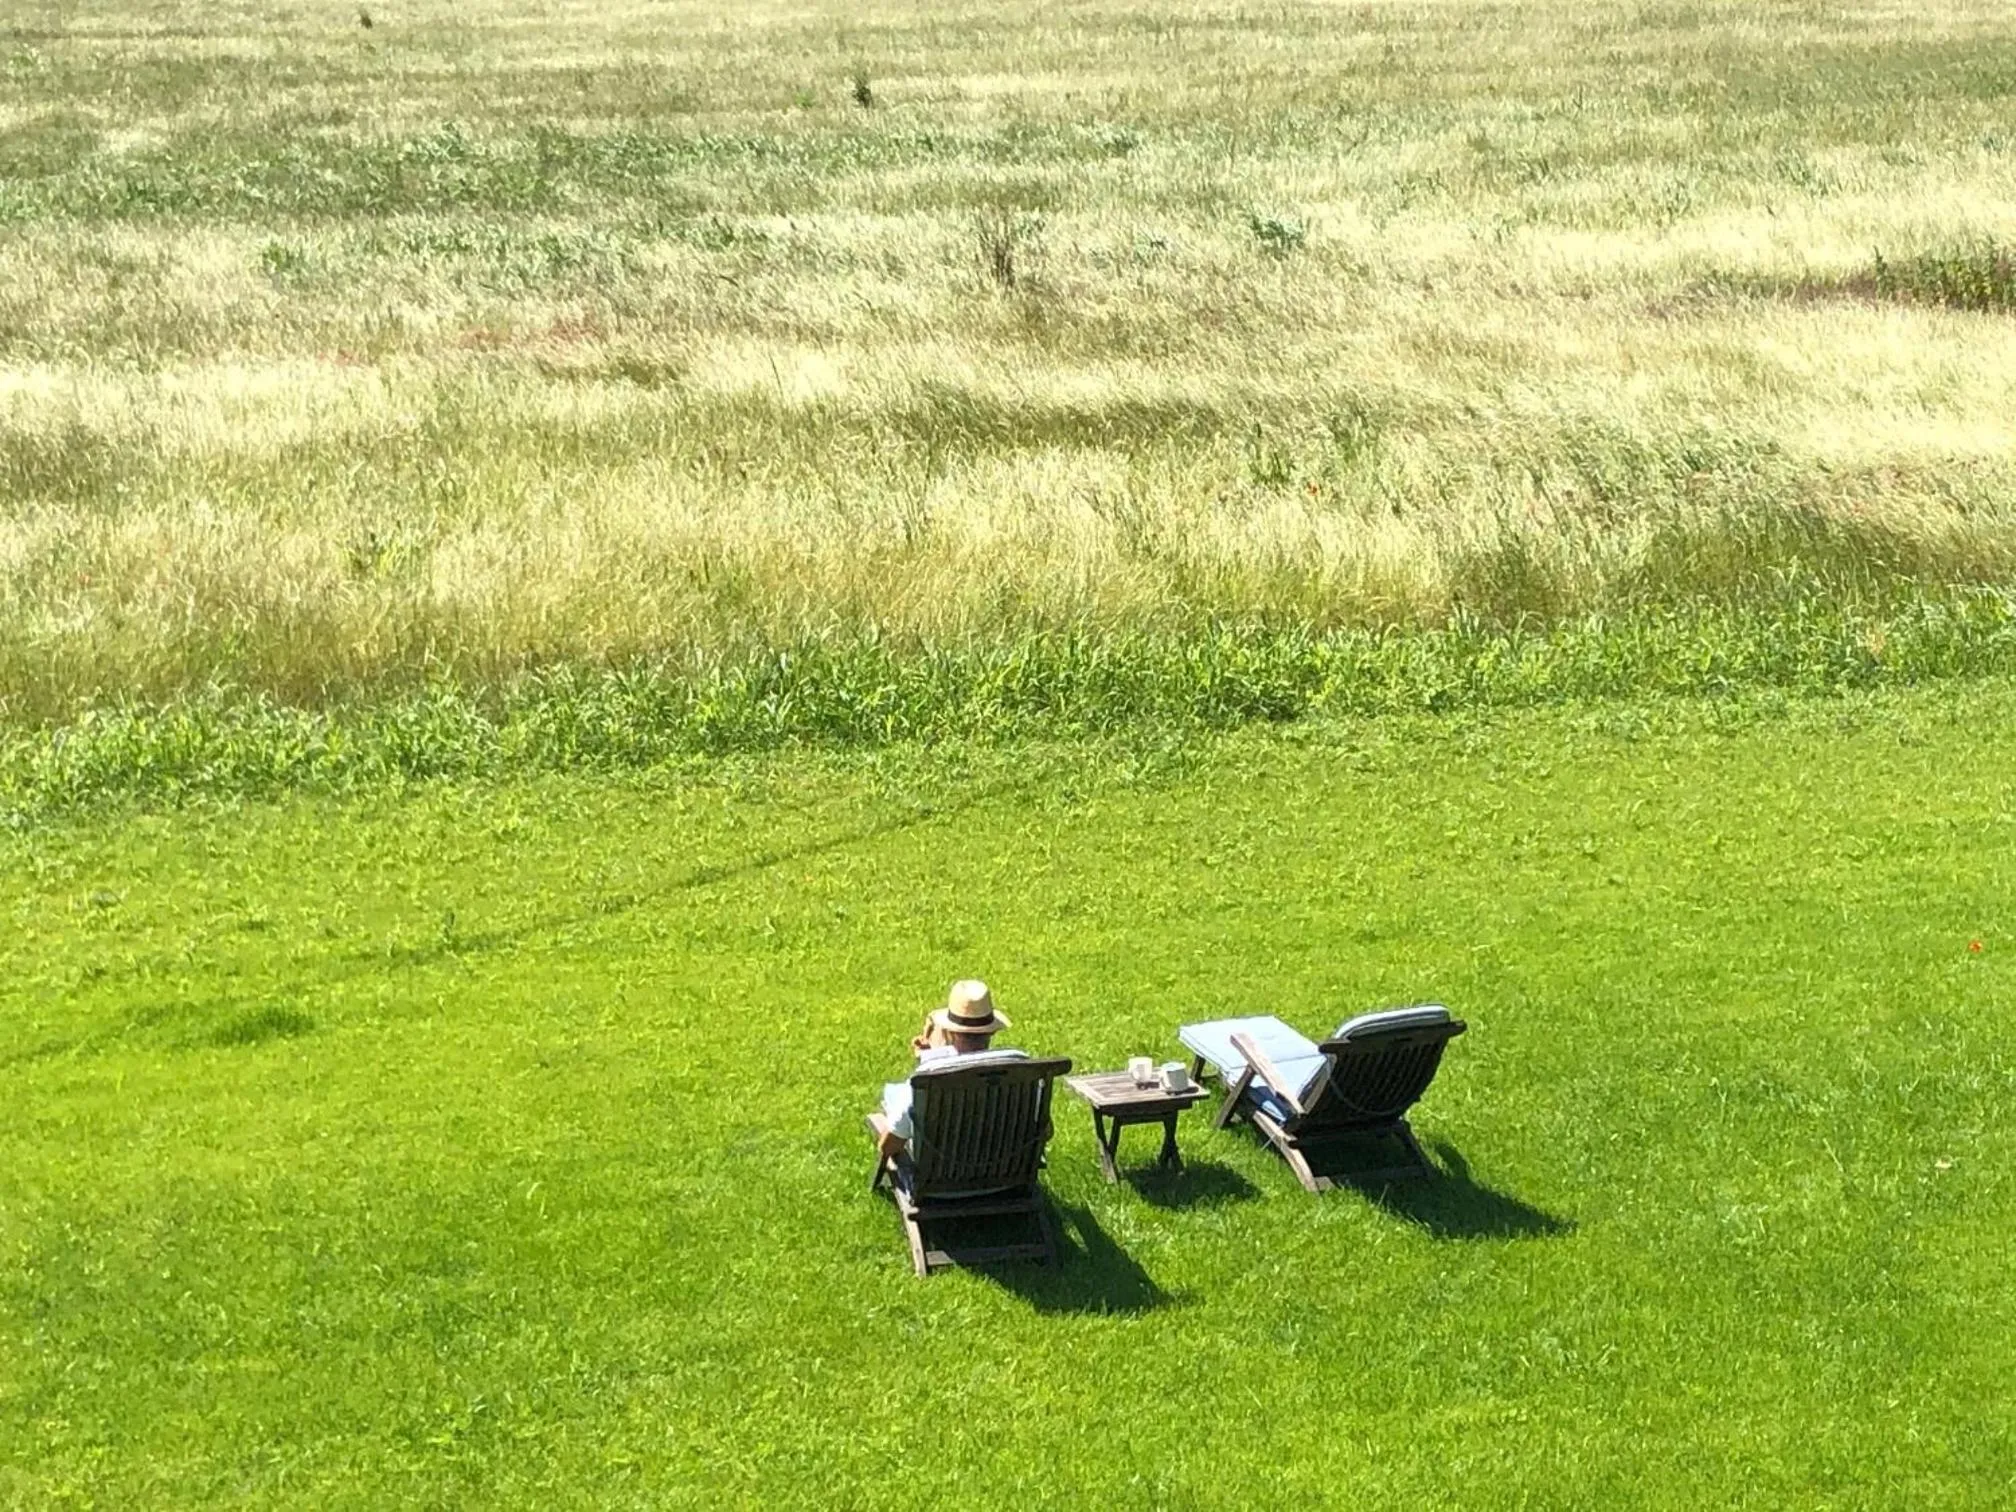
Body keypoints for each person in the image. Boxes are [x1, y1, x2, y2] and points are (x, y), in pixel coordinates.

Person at [871, 980, 1027, 1160]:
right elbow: (1045, 1132)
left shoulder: (929, 1079)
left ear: (950, 1032)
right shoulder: (1021, 1071)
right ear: (992, 1031)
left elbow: (888, 1147)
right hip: (1004, 1172)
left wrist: (927, 1063)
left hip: (940, 1177)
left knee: (894, 1095)